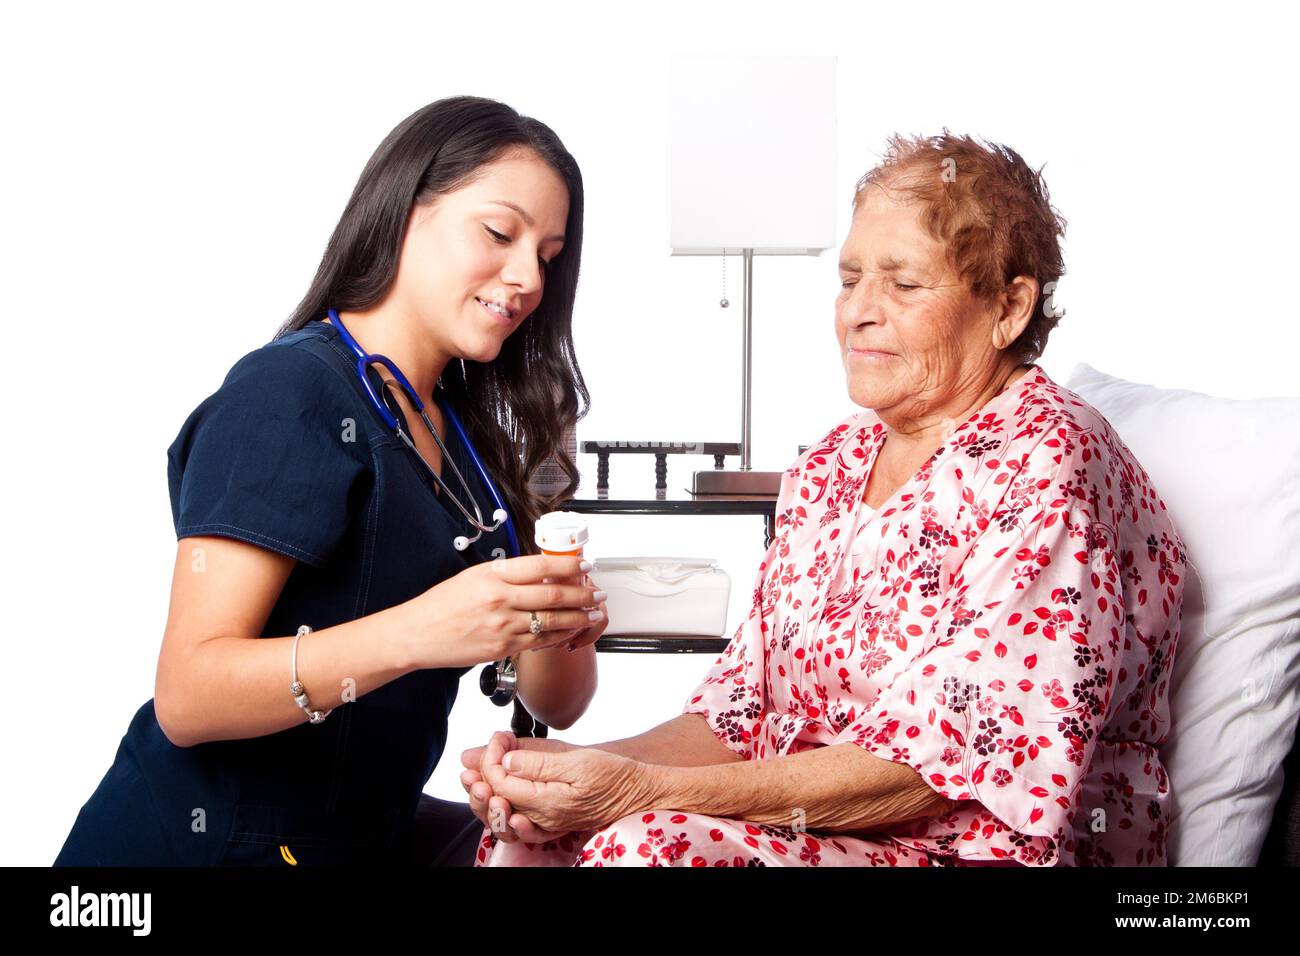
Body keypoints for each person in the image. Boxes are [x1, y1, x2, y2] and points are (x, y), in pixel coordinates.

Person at [462, 132, 1186, 867]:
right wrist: (564, 776)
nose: (859, 312)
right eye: (849, 279)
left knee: (646, 846)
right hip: (819, 833)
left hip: (973, 848)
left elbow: (949, 766)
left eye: (904, 285)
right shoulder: (830, 464)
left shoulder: (1049, 457)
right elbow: (736, 716)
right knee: (530, 838)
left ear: (1009, 307)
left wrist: (636, 794)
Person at [53, 95, 609, 867]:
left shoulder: (466, 437)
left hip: (351, 838)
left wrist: (557, 613)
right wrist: (425, 630)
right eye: (498, 232)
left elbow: (558, 700)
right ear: (404, 211)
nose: (526, 278)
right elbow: (189, 696)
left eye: (546, 256)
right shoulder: (287, 395)